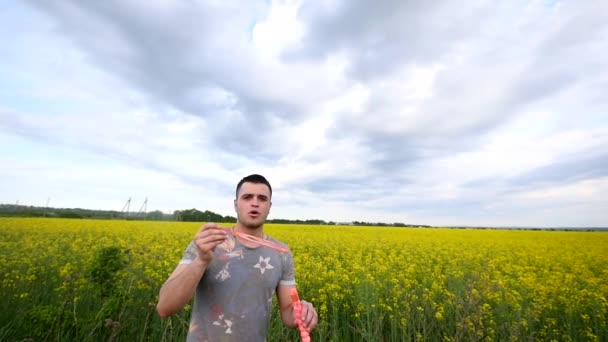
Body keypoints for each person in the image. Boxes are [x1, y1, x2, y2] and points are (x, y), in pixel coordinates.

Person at [157, 174, 318, 341]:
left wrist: (303, 313)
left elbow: (288, 313)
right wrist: (201, 260)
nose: (255, 203)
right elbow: (165, 307)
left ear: (269, 207)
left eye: (262, 199)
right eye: (247, 197)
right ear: (236, 204)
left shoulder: (281, 252)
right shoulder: (208, 243)